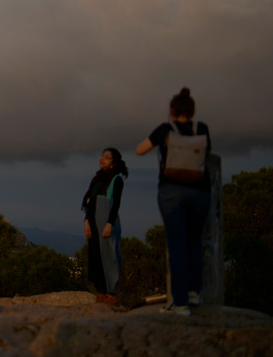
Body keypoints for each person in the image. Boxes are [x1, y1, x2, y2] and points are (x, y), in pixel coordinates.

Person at [135, 87, 212, 316]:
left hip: (171, 192)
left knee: (176, 244)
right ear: (192, 110)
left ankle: (180, 304)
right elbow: (207, 154)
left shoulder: (165, 129)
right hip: (200, 192)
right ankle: (194, 293)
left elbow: (140, 150)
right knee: (195, 241)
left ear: (171, 110)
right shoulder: (202, 129)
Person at [80, 147, 127, 305]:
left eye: (106, 157)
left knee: (110, 255)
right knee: (96, 256)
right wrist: (87, 221)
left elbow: (116, 205)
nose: (102, 159)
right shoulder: (96, 179)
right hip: (93, 220)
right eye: (102, 156)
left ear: (113, 163)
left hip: (107, 221)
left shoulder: (116, 179)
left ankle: (112, 293)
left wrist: (109, 224)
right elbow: (89, 202)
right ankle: (100, 290)